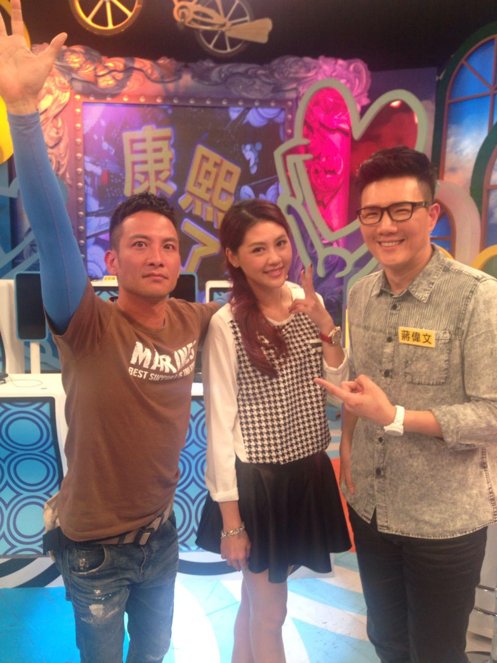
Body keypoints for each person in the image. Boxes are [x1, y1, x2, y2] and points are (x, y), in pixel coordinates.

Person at [0, 2, 218, 661]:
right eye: (139, 244)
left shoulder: (195, 319)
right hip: (94, 547)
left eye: (168, 246)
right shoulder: (88, 321)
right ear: (112, 260)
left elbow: (259, 310)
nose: (157, 256)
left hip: (162, 536)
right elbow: (51, 228)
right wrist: (22, 111)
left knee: (153, 654)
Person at [315, 146, 497, 663]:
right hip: (372, 507)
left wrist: (395, 417)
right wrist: (348, 446)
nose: (385, 227)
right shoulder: (360, 293)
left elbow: (492, 415)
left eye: (401, 210)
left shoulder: (478, 298)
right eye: (372, 214)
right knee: (387, 642)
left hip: (443, 518)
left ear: (431, 214)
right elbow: (360, 384)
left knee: (437, 652)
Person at [195, 199, 351, 663]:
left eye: (280, 243)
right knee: (271, 612)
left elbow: (337, 388)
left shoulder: (308, 302)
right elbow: (219, 424)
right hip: (258, 484)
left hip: (306, 471)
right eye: (258, 249)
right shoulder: (226, 324)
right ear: (233, 257)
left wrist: (326, 327)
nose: (274, 257)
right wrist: (232, 524)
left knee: (255, 601)